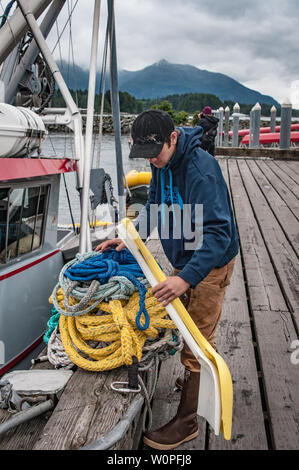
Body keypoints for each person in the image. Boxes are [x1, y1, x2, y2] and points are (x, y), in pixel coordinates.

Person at [95, 109, 239, 450]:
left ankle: (187, 421)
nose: (152, 163)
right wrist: (132, 240)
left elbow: (219, 234)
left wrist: (186, 279)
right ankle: (193, 382)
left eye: (154, 154)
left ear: (173, 138)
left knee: (198, 338)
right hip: (187, 258)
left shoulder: (202, 170)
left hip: (211, 264)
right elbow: (157, 206)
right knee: (185, 327)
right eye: (145, 157)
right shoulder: (161, 163)